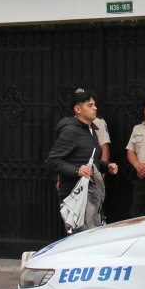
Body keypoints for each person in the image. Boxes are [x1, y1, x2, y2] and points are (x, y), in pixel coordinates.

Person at [47, 88, 118, 232]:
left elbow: (91, 161)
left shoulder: (91, 129)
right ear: (77, 109)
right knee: (80, 241)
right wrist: (76, 170)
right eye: (90, 105)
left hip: (91, 195)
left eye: (94, 105)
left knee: (90, 237)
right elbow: (53, 160)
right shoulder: (70, 131)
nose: (95, 108)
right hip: (76, 197)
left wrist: (106, 166)